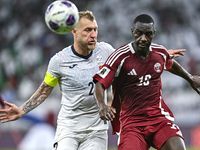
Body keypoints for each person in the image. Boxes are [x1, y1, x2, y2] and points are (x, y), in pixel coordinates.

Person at [0, 11, 186, 150]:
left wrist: (162, 53)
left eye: (95, 30)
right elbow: (44, 90)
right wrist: (22, 111)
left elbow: (131, 58)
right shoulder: (59, 61)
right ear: (74, 32)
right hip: (69, 128)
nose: (93, 34)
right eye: (88, 30)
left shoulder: (106, 51)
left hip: (96, 129)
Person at [93, 14, 200, 150]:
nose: (143, 38)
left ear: (153, 34)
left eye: (148, 34)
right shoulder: (120, 57)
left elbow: (170, 63)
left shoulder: (159, 52)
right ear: (132, 32)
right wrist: (102, 105)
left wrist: (190, 78)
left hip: (159, 120)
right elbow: (100, 83)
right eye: (139, 33)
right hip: (132, 124)